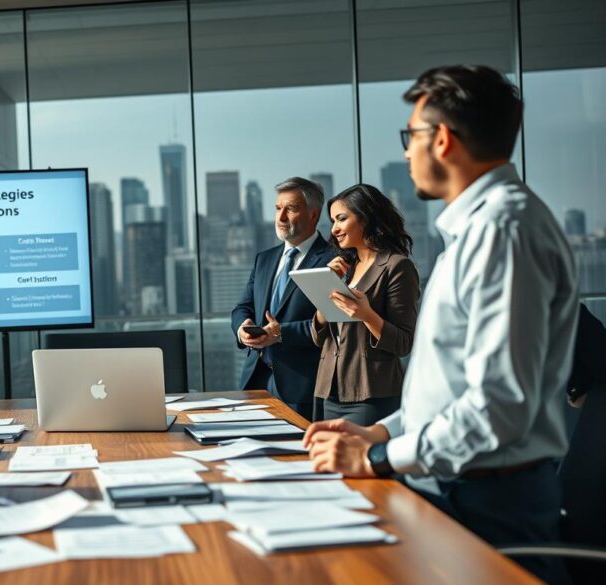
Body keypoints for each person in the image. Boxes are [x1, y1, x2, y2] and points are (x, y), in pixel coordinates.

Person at [303, 65, 577, 582]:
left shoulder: (503, 232)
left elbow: (499, 407)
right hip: (459, 487)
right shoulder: (474, 231)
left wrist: (381, 458)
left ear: (443, 139)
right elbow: (451, 394)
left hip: (488, 500)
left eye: (412, 137)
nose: (407, 152)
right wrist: (378, 434)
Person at [310, 184, 420, 425]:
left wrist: (366, 315)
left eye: (341, 219)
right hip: (328, 390)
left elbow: (404, 343)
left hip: (371, 394)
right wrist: (324, 294)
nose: (335, 229)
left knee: (361, 461)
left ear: (366, 218)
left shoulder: (396, 267)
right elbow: (320, 338)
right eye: (332, 221)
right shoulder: (344, 268)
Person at [232, 177, 337, 420]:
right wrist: (242, 328)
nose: (280, 218)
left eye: (291, 209)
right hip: (255, 381)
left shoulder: (333, 260)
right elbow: (243, 307)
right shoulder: (265, 259)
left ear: (313, 215)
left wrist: (280, 334)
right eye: (278, 208)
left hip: (302, 386)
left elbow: (334, 323)